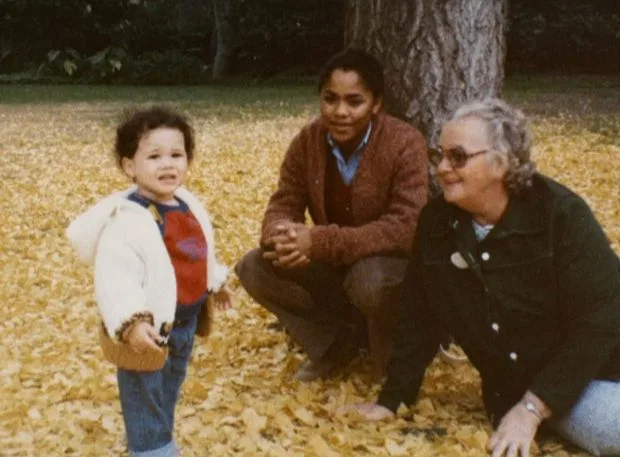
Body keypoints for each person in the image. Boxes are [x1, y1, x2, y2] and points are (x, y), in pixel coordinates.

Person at [340, 99, 620, 457]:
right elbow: (418, 317)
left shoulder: (560, 214)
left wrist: (531, 410)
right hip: (569, 389)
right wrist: (392, 400)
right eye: (439, 155)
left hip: (599, 364)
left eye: (458, 157)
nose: (441, 168)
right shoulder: (436, 223)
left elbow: (602, 320)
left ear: (502, 163)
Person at [235, 48, 428, 382]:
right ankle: (332, 347)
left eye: (355, 102)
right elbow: (284, 201)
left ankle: (394, 359)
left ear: (376, 104)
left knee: (369, 280)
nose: (340, 112)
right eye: (330, 99)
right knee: (254, 266)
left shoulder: (404, 143)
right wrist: (282, 235)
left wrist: (320, 241)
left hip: (388, 268)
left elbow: (406, 226)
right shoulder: (308, 141)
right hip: (336, 266)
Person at [66, 106, 233, 457]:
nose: (167, 164)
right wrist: (132, 323)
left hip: (183, 324)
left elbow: (197, 251)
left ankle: (155, 438)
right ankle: (151, 449)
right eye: (154, 156)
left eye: (176, 155)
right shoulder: (128, 221)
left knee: (167, 388)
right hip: (146, 330)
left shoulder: (187, 205)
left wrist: (215, 282)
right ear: (130, 166)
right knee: (143, 392)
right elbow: (116, 278)